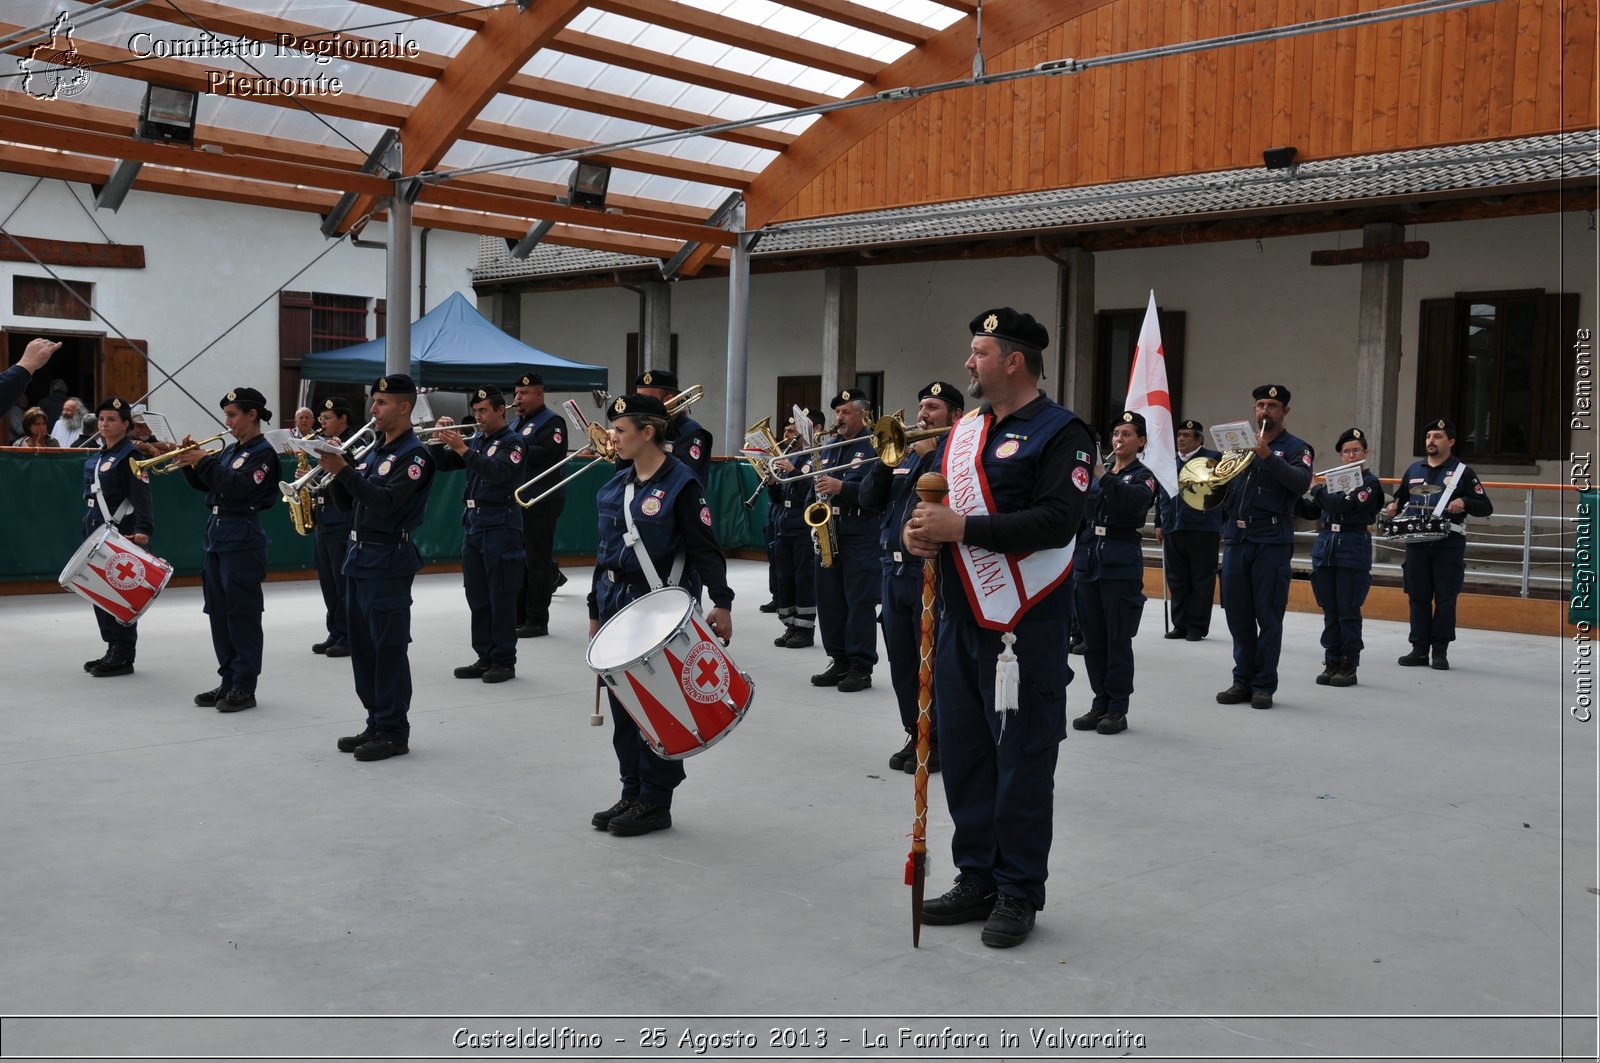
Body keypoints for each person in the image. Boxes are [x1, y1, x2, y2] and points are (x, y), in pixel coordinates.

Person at [904, 307, 1094, 949]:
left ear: (1013, 360)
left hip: (1025, 628)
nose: (968, 363)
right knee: (967, 758)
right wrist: (920, 532)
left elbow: (1056, 522)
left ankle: (1018, 890)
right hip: (963, 619)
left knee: (1022, 760)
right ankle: (976, 876)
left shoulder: (1063, 433)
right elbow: (935, 505)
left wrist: (965, 530)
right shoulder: (966, 432)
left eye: (979, 352)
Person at [588, 394, 733, 837]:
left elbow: (706, 548)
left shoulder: (682, 484)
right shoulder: (616, 483)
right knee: (623, 708)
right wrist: (595, 612)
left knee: (657, 706)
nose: (611, 439)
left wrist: (722, 602)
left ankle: (655, 800)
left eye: (619, 430)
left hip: (657, 606)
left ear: (647, 432)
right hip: (615, 604)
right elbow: (603, 553)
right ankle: (631, 790)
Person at [319, 374, 437, 761]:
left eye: (382, 402)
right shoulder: (375, 451)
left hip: (387, 559)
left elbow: (385, 502)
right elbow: (347, 503)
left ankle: (393, 730)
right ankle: (375, 721)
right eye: (374, 402)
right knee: (364, 650)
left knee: (387, 648)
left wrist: (344, 471)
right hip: (359, 558)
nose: (374, 409)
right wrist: (337, 469)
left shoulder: (414, 456)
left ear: (404, 407)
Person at [859, 380, 962, 771]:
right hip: (892, 567)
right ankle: (914, 731)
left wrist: (933, 458)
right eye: (921, 407)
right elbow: (869, 499)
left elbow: (949, 500)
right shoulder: (903, 453)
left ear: (954, 415)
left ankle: (938, 738)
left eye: (933, 408)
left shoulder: (953, 455)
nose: (923, 415)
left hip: (927, 570)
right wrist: (885, 461)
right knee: (902, 661)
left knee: (930, 659)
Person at [171, 387, 279, 712]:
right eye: (227, 415)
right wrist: (191, 464)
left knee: (241, 613)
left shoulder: (263, 453)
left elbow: (238, 487)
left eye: (233, 415)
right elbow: (210, 483)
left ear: (252, 415)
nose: (228, 421)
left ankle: (245, 685)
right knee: (218, 612)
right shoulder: (232, 450)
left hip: (242, 535)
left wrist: (203, 461)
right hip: (218, 535)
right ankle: (228, 679)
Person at [1214, 385, 1314, 711]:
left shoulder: (1297, 448)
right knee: (1238, 616)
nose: (1264, 411)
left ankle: (1263, 685)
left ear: (1285, 411)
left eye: (1272, 405)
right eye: (1260, 404)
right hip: (1237, 541)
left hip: (1271, 541)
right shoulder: (1238, 444)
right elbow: (1221, 486)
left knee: (1268, 617)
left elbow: (1300, 484)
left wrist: (1268, 457)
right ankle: (1241, 680)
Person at [1071, 410, 1157, 735]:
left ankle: (1118, 708)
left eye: (1127, 434)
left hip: (1120, 563)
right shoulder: (1100, 472)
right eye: (1116, 433)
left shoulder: (1143, 475)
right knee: (1092, 640)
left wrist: (1102, 477)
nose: (1119, 439)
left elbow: (1133, 503)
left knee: (1117, 638)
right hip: (1089, 559)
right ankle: (1099, 702)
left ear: (1141, 441)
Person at [1385, 418, 1493, 670]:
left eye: (1438, 436)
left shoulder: (1462, 472)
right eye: (1428, 436)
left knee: (1445, 598)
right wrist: (1393, 506)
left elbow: (1485, 506)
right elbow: (1400, 499)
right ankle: (1419, 649)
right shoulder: (1414, 470)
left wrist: (1465, 502)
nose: (1431, 441)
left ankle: (1440, 651)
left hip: (1448, 543)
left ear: (1451, 441)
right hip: (1417, 543)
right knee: (1417, 596)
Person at [434, 387, 526, 683]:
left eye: (484, 411)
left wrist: (462, 448)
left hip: (501, 521)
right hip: (474, 522)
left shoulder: (513, 442)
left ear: (501, 410)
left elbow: (497, 471)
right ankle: (484, 655)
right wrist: (439, 439)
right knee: (477, 595)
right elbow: (443, 464)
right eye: (475, 411)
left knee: (501, 594)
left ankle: (504, 660)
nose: (478, 417)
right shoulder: (477, 439)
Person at [1294, 428, 1384, 687]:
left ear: (1365, 453)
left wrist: (1315, 488)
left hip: (1352, 548)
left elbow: (1342, 505)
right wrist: (1292, 495)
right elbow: (1314, 510)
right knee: (1329, 610)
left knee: (1348, 610)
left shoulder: (1370, 482)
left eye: (1356, 450)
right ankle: (1331, 659)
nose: (1351, 455)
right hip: (1326, 549)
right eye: (1346, 451)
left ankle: (1349, 664)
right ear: (1340, 455)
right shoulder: (1333, 481)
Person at [809, 388, 881, 692]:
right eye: (837, 412)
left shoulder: (874, 445)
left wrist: (843, 488)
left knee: (858, 601)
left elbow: (875, 493)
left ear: (862, 414)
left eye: (846, 412)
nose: (839, 418)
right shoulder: (829, 446)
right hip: (830, 529)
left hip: (860, 530)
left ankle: (861, 667)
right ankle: (838, 659)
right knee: (830, 601)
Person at [79, 397, 154, 678]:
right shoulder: (97, 458)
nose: (104, 424)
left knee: (120, 594)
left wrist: (144, 530)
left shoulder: (130, 457)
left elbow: (142, 497)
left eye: (111, 419)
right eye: (101, 419)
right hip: (94, 532)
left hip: (120, 533)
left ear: (125, 424)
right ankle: (112, 647)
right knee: (99, 593)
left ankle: (124, 653)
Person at [508, 372, 567, 638]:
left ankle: (537, 619)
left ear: (539, 394)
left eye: (523, 393)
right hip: (518, 498)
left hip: (541, 498)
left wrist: (513, 446)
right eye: (516, 393)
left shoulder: (551, 422)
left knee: (537, 561)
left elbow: (550, 455)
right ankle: (519, 614)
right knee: (519, 561)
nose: (517, 398)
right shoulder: (514, 424)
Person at [1155, 418, 1224, 641]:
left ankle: (1196, 627)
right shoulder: (1170, 461)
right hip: (1173, 526)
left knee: (1201, 580)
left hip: (1203, 528)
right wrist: (1159, 522)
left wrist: (1221, 521)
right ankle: (1180, 624)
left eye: (1186, 436)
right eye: (1179, 435)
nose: (1181, 439)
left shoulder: (1213, 459)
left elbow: (1224, 492)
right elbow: (1161, 493)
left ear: (1199, 440)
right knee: (1177, 579)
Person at [310, 397, 354, 658]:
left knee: (341, 580)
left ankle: (348, 634)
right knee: (327, 580)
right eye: (322, 418)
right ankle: (335, 632)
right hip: (323, 516)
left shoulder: (355, 440)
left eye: (327, 418)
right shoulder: (322, 442)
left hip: (341, 515)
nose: (322, 422)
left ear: (343, 419)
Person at [768, 422, 818, 649]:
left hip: (801, 527)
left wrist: (792, 472)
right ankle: (790, 624)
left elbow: (810, 490)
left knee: (803, 579)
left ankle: (805, 629)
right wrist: (771, 482)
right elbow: (780, 497)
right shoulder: (793, 456)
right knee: (784, 577)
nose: (788, 437)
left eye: (793, 433)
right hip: (784, 525)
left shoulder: (813, 457)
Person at [633, 368, 712, 484]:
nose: (640, 405)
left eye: (647, 399)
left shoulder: (691, 432)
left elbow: (681, 476)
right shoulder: (640, 429)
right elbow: (624, 474)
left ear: (668, 400)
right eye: (638, 399)